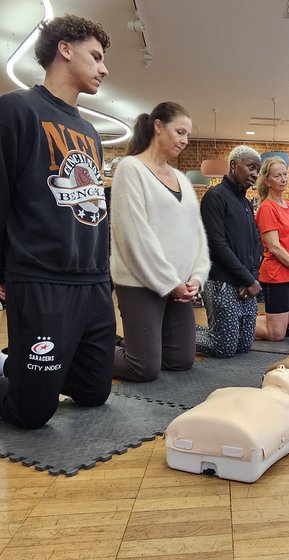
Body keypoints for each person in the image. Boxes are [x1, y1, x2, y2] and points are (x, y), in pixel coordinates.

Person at [0, 14, 116, 429]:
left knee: (94, 391)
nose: (104, 68)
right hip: (40, 278)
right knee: (31, 411)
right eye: (96, 56)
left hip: (92, 281)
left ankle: (7, 360)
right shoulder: (13, 110)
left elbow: (92, 209)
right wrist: (5, 268)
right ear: (65, 49)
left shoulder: (90, 131)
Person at [110, 102, 209, 381]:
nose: (185, 141)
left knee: (180, 361)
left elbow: (197, 233)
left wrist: (196, 278)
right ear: (157, 126)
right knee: (143, 368)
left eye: (188, 135)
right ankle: (84, 350)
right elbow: (133, 235)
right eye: (180, 132)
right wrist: (170, 283)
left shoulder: (180, 178)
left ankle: (134, 344)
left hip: (179, 285)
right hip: (140, 283)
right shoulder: (131, 169)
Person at [195, 146, 263, 358]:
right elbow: (217, 245)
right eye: (251, 167)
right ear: (233, 165)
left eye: (258, 170)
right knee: (223, 348)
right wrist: (248, 279)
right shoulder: (214, 197)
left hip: (245, 282)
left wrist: (252, 278)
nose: (255, 174)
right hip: (221, 281)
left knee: (243, 346)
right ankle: (177, 334)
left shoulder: (245, 202)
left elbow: (256, 243)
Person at [254, 157, 289, 341]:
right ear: (267, 180)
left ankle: (269, 319)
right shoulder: (266, 208)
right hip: (276, 275)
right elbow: (275, 247)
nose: (283, 179)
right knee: (276, 335)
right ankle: (242, 323)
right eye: (277, 176)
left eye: (285, 174)